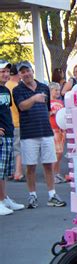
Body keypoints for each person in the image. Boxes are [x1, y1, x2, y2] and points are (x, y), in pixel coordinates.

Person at [12, 61, 66, 208]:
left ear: (32, 71)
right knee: (31, 167)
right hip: (29, 134)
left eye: (27, 70)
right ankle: (32, 196)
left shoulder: (44, 87)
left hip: (46, 132)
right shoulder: (18, 90)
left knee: (49, 164)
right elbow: (22, 107)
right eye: (22, 72)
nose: (26, 74)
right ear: (20, 75)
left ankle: (52, 195)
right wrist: (34, 98)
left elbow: (48, 109)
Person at [0, 60, 25, 215]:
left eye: (7, 71)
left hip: (8, 133)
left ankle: (4, 199)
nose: (5, 74)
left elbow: (7, 111)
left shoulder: (5, 90)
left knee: (3, 172)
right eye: (2, 71)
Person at [5, 63, 24, 182]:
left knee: (11, 148)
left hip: (8, 122)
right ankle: (18, 173)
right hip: (17, 122)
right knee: (19, 149)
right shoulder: (17, 87)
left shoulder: (6, 86)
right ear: (17, 74)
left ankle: (11, 171)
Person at [48, 82, 66, 184]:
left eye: (59, 90)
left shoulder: (60, 102)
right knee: (57, 152)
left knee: (60, 152)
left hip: (61, 129)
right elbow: (46, 115)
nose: (58, 92)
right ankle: (52, 174)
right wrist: (52, 113)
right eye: (56, 90)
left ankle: (57, 172)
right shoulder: (48, 103)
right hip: (53, 128)